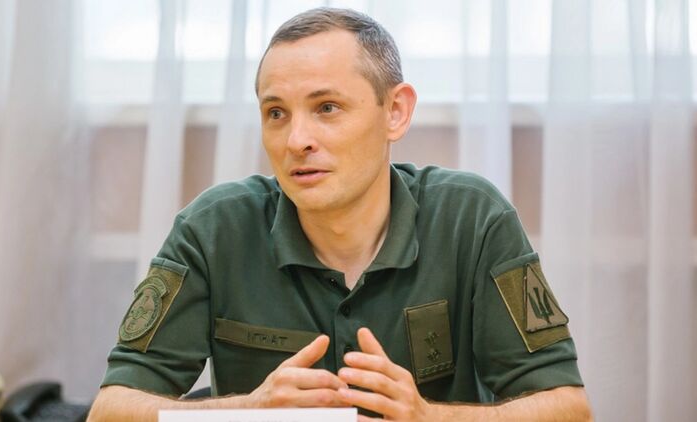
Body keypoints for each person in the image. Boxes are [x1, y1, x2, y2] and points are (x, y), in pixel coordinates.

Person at [88, 7, 592, 421]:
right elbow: (110, 410)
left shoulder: (473, 218)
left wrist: (428, 417)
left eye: (326, 107)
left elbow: (568, 408)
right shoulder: (212, 229)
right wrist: (247, 413)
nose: (296, 140)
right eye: (276, 113)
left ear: (395, 112)